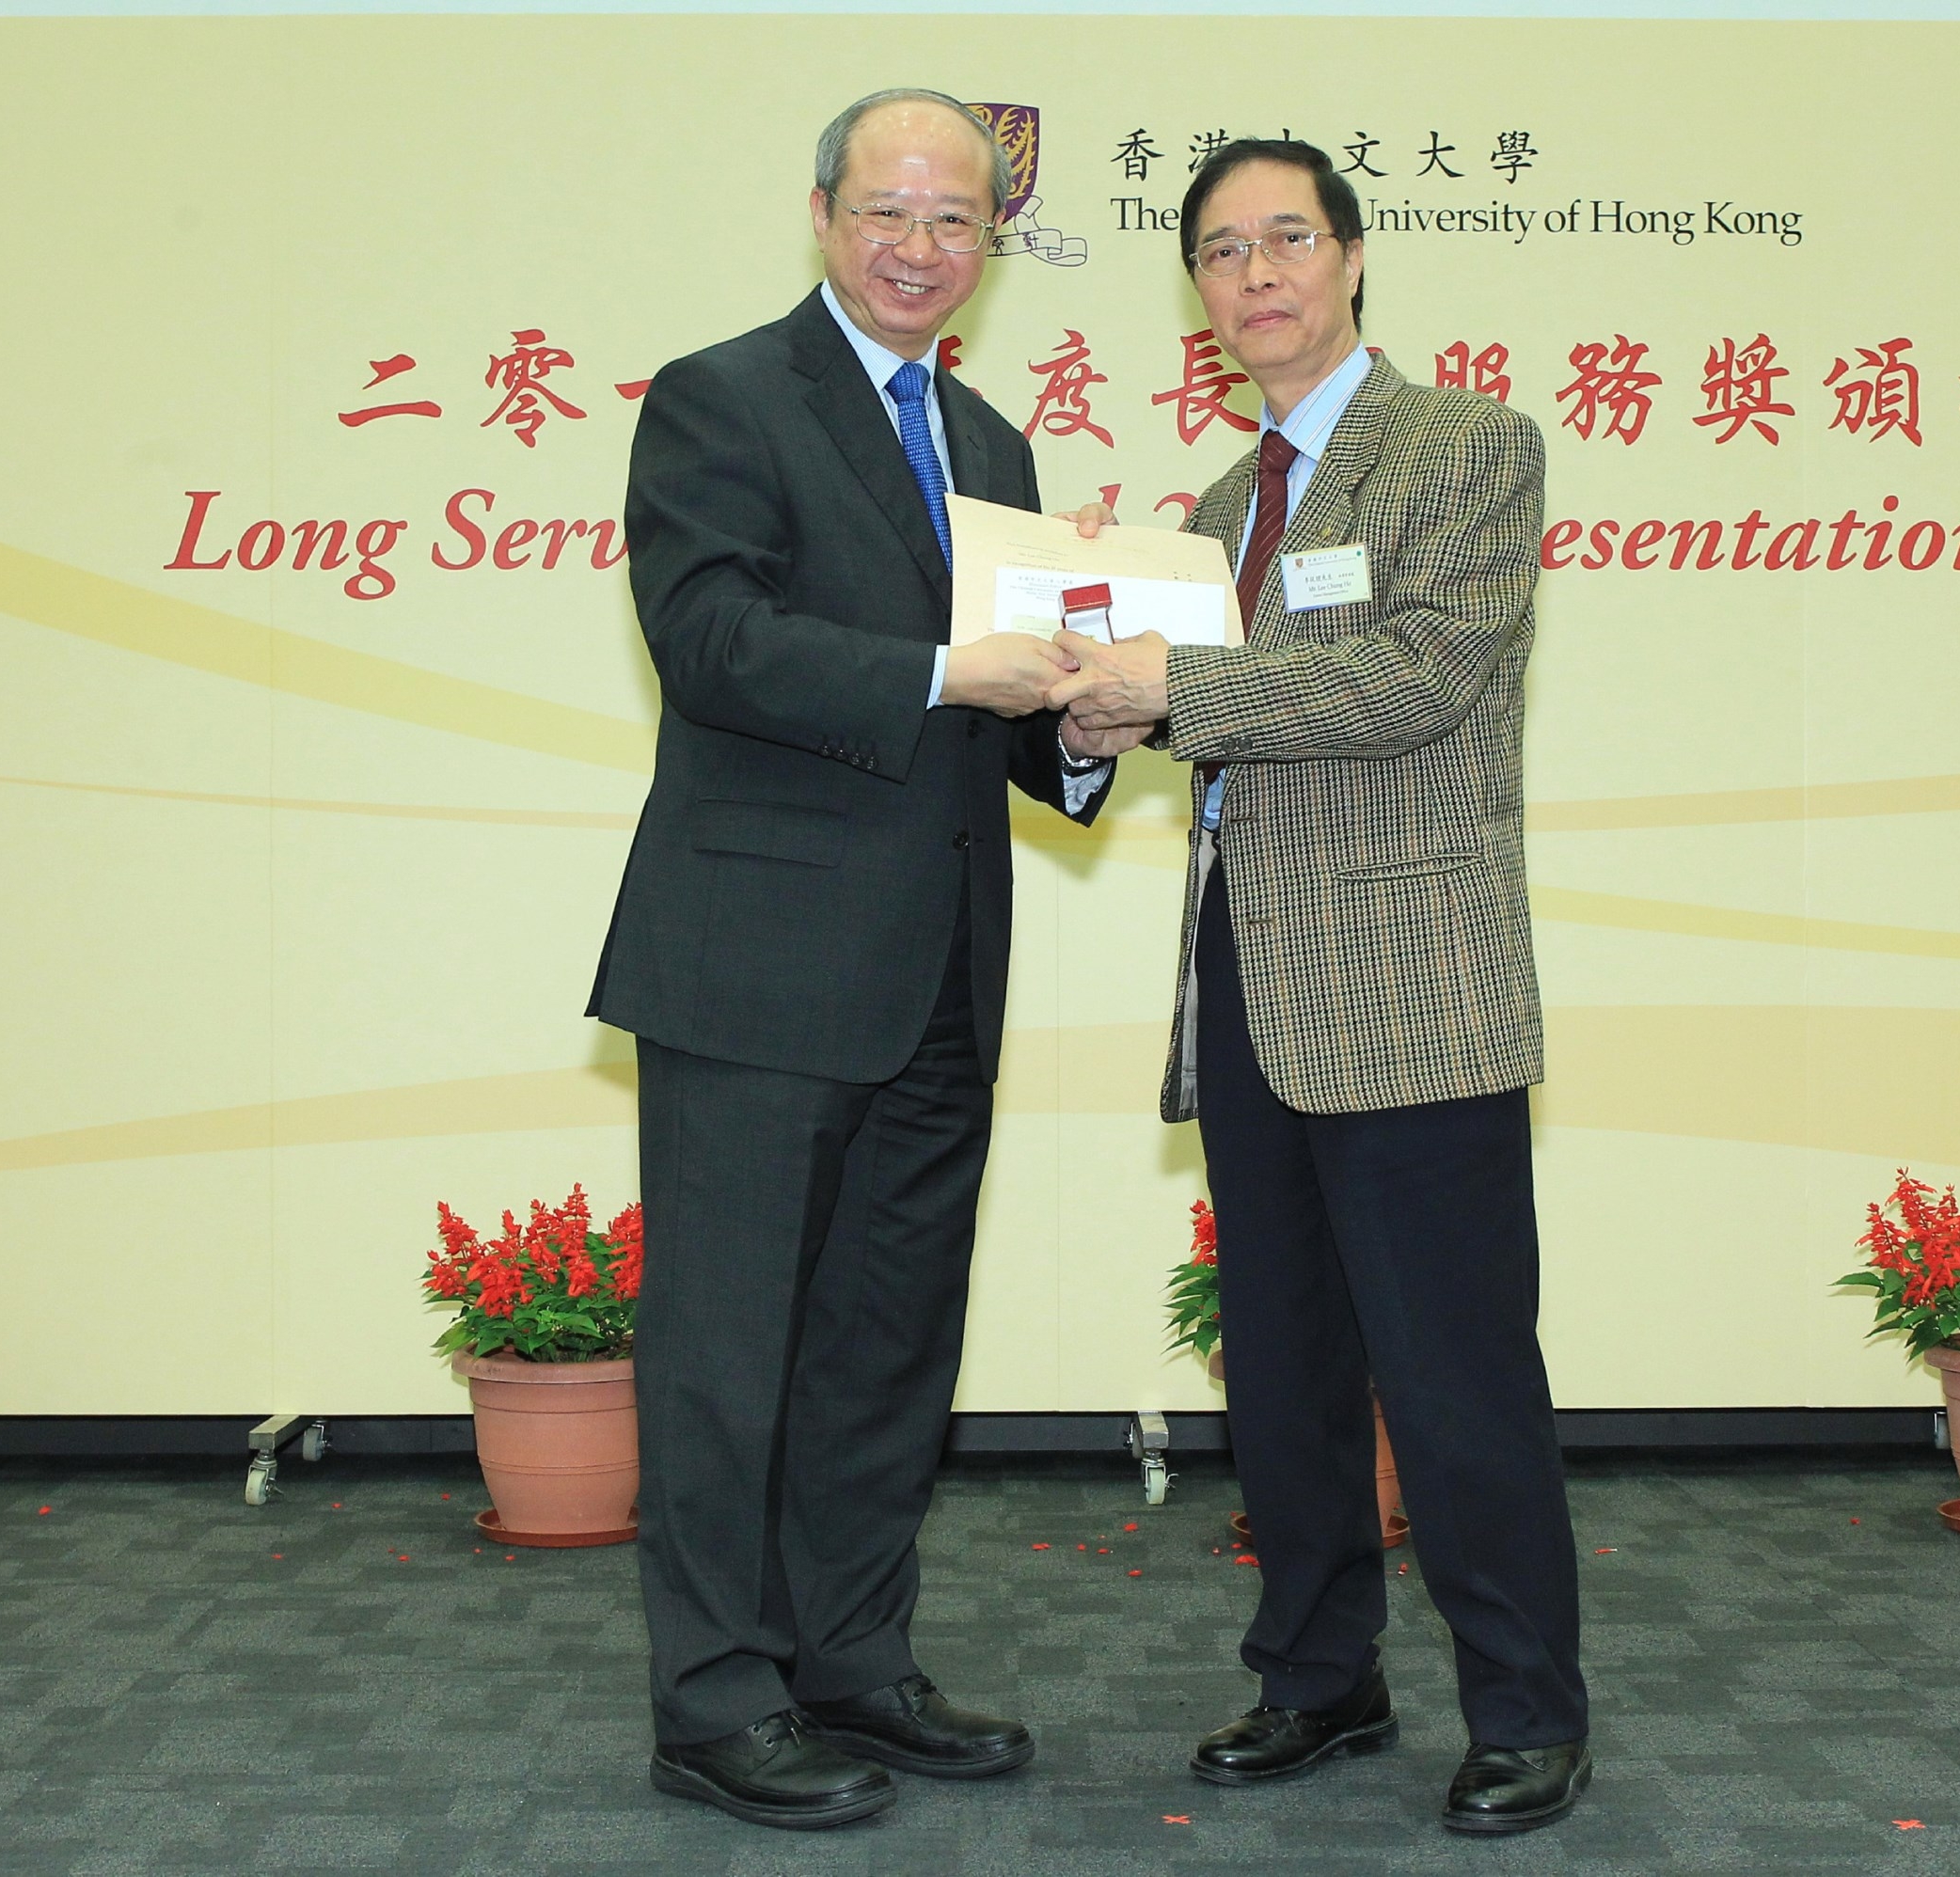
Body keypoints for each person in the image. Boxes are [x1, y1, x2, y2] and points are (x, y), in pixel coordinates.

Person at [582, 87, 1114, 1831]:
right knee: (731, 1347)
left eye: (954, 220)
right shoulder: (723, 396)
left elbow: (1021, 721)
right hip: (754, 959)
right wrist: (936, 678)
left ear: (989, 245)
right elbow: (710, 635)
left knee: (887, 1339)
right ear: (822, 216)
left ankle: (851, 1662)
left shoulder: (993, 447)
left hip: (942, 965)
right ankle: (715, 1697)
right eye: (887, 211)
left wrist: (1095, 726)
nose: (918, 247)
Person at [1052, 137, 1591, 1835]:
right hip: (1246, 981)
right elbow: (1195, 723)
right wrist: (1086, 698)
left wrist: (1168, 680)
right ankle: (1316, 1677)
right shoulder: (1209, 513)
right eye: (1221, 251)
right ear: (1200, 295)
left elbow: (1415, 676)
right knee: (1281, 1368)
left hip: (1412, 983)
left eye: (1287, 237)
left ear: (1352, 259)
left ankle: (1525, 1709)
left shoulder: (1466, 448)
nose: (1256, 272)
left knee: (1454, 1373)